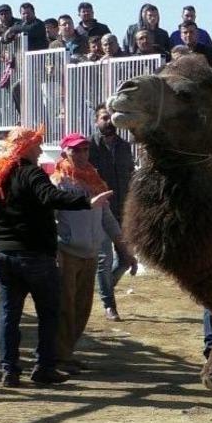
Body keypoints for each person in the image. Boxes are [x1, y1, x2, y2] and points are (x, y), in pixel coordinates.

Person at [0, 127, 112, 387]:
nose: (40, 150)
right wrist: (86, 202)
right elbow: (50, 196)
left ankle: (10, 370)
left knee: (9, 315)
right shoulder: (31, 173)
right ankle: (44, 367)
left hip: (7, 257)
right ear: (25, 147)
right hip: (36, 255)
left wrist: (2, 239)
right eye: (36, 145)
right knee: (49, 312)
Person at [51, 133, 134, 374]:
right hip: (67, 251)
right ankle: (59, 356)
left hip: (90, 252)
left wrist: (123, 247)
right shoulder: (58, 181)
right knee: (66, 306)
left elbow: (107, 217)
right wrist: (54, 248)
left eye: (85, 149)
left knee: (82, 306)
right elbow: (51, 218)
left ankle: (66, 352)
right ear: (65, 151)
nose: (81, 154)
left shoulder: (95, 179)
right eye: (76, 150)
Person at [89, 106, 137, 322]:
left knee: (126, 259)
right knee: (105, 258)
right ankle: (109, 304)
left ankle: (107, 285)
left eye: (111, 118)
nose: (108, 122)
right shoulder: (88, 147)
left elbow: (130, 175)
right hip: (100, 211)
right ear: (96, 120)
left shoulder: (125, 147)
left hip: (121, 210)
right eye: (104, 118)